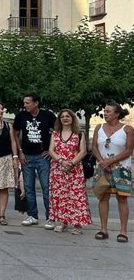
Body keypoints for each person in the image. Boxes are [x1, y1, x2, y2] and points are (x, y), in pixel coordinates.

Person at [12, 92, 57, 229]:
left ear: (36, 103)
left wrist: (51, 150)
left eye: (27, 103)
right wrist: (19, 152)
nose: (24, 105)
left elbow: (57, 132)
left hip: (42, 156)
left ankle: (50, 217)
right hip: (26, 156)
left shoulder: (48, 115)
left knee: (46, 187)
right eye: (24, 102)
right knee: (29, 187)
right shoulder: (21, 115)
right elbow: (15, 133)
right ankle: (33, 215)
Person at [92, 102, 133, 243]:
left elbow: (128, 150)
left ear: (117, 114)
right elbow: (94, 147)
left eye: (108, 111)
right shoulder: (99, 128)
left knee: (122, 198)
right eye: (105, 111)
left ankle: (123, 231)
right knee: (103, 197)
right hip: (102, 167)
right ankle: (103, 229)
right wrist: (102, 161)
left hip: (121, 168)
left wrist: (111, 161)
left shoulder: (127, 129)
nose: (105, 113)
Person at [48, 109, 92, 235]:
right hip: (58, 169)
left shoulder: (79, 134)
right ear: (59, 119)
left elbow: (83, 151)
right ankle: (62, 222)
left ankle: (77, 224)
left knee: (76, 197)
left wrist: (71, 163)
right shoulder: (55, 134)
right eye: (62, 117)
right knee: (60, 196)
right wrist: (61, 161)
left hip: (75, 169)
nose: (65, 118)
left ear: (72, 118)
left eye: (68, 116)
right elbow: (51, 150)